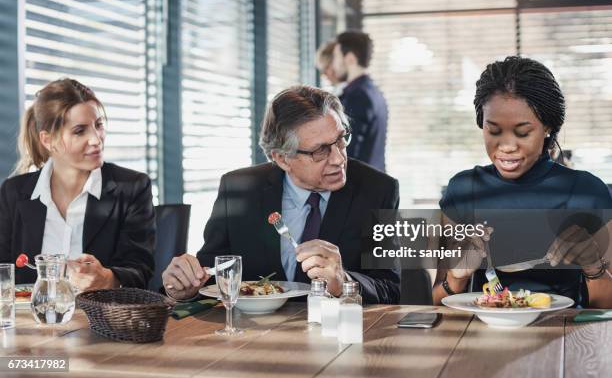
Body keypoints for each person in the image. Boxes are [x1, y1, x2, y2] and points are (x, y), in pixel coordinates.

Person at [162, 85, 400, 303]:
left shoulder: (379, 189)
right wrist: (185, 288)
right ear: (282, 158)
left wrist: (344, 281)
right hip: (252, 338)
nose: (339, 158)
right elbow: (213, 275)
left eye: (340, 140)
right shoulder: (238, 188)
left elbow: (394, 289)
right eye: (320, 151)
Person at [432, 56, 612, 308]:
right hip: (483, 335)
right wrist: (456, 276)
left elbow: (607, 312)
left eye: (523, 132)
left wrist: (594, 268)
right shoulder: (463, 190)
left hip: (565, 337)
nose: (506, 146)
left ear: (548, 126)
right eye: (493, 130)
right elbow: (439, 303)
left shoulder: (587, 192)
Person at [0, 79, 156, 290]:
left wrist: (108, 278)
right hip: (30, 320)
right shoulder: (14, 192)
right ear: (48, 140)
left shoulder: (132, 187)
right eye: (80, 130)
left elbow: (140, 269)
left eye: (98, 125)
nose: (96, 139)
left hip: (101, 320)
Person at [332, 30, 388, 172]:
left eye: (336, 57)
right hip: (374, 180)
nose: (334, 64)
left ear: (350, 58)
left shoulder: (356, 96)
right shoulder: (375, 92)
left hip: (360, 185)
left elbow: (347, 151)